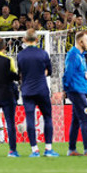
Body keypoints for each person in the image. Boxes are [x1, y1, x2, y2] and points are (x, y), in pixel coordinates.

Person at [17, 28, 58, 157]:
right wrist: (41, 72)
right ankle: (48, 149)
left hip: (27, 90)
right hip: (41, 89)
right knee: (47, 118)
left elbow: (20, 73)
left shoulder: (20, 55)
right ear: (37, 39)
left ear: (24, 39)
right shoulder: (43, 54)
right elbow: (50, 71)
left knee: (30, 119)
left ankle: (34, 150)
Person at [64, 30, 87, 156]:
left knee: (76, 121)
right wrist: (65, 89)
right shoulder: (73, 55)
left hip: (79, 90)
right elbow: (68, 73)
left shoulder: (80, 55)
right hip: (76, 91)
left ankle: (72, 149)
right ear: (80, 42)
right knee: (85, 119)